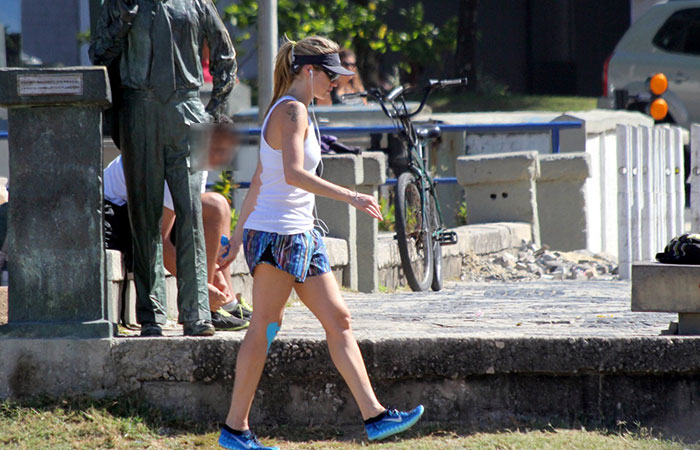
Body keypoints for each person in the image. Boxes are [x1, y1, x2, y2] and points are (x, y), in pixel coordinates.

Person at [215, 36, 424, 450]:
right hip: (278, 236)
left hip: (301, 233)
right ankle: (235, 430)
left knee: (339, 320)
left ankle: (375, 416)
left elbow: (261, 177)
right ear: (309, 71)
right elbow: (290, 174)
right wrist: (352, 196)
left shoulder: (298, 110)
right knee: (264, 329)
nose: (338, 84)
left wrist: (238, 237)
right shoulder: (291, 111)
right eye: (332, 76)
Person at [90, 0, 237, 337]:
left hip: (186, 109)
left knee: (192, 217)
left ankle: (196, 313)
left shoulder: (197, 3)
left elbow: (224, 54)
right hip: (138, 111)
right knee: (145, 219)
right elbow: (98, 55)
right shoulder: (120, 3)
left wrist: (213, 112)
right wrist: (124, 20)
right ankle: (151, 316)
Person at [103, 152, 251, 332]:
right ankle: (204, 306)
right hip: (117, 217)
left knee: (217, 207)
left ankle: (227, 303)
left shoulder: (197, 156)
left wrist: (215, 276)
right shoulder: (174, 158)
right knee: (214, 205)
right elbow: (157, 239)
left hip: (146, 212)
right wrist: (199, 289)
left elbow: (195, 219)